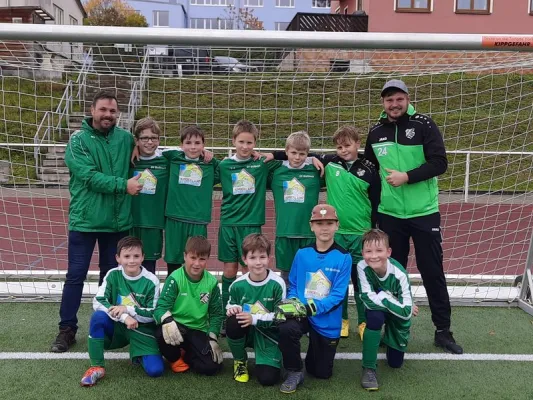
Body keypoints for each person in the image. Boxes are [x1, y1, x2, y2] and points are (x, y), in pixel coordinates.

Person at [364, 79, 463, 354]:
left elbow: (439, 163)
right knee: (390, 273)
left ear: (407, 99)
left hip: (424, 212)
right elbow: (370, 172)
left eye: (399, 99)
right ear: (383, 103)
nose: (394, 104)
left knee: (432, 271)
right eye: (389, 100)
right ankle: (392, 330)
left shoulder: (424, 124)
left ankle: (443, 331)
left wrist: (406, 176)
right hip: (390, 214)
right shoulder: (375, 131)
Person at [51, 91, 143, 353]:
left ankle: (108, 325)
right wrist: (123, 185)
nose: (108, 115)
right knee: (76, 276)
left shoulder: (125, 139)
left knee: (110, 277)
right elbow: (89, 177)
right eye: (103, 110)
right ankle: (67, 329)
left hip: (116, 222)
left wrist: (203, 154)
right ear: (92, 111)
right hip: (85, 221)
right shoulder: (78, 140)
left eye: (112, 111)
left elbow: (149, 150)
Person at [269, 126, 380, 339]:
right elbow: (298, 152)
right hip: (337, 232)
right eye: (339, 147)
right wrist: (276, 154)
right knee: (335, 280)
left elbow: (376, 200)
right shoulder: (330, 163)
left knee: (361, 280)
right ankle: (342, 320)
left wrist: (375, 227)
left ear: (358, 143)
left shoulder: (370, 168)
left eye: (347, 145)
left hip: (361, 232)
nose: (343, 150)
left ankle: (363, 321)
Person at [275, 204, 351, 394]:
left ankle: (315, 350)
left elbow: (338, 296)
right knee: (286, 328)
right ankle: (294, 370)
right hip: (302, 313)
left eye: (329, 223)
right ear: (311, 226)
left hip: (325, 318)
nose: (324, 228)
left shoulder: (344, 257)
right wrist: (293, 302)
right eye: (319, 223)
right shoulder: (302, 254)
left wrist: (310, 308)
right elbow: (293, 284)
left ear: (337, 225)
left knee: (320, 372)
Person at [217, 120, 280, 326]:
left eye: (249, 142)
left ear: (255, 143)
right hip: (228, 223)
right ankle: (227, 315)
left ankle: (250, 314)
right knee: (229, 270)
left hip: (251, 224)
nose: (245, 147)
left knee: (249, 269)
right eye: (241, 142)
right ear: (233, 141)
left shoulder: (261, 164)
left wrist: (275, 154)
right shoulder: (224, 166)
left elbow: (292, 157)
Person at [80, 236, 164, 386]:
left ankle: (138, 354)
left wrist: (128, 308)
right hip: (117, 326)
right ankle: (96, 367)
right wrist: (124, 317)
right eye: (127, 256)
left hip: (140, 329)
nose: (131, 261)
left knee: (155, 370)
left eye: (136, 256)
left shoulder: (152, 281)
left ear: (143, 257)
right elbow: (98, 301)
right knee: (98, 317)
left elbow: (153, 314)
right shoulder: (113, 275)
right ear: (118, 258)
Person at [153, 236, 224, 375]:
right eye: (193, 258)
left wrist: (213, 337)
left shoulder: (212, 282)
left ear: (207, 259)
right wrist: (168, 320)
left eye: (202, 259)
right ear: (185, 256)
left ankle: (188, 354)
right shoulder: (175, 279)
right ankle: (175, 359)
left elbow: (216, 313)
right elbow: (160, 308)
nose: (197, 263)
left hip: (198, 330)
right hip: (176, 326)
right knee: (161, 333)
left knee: (212, 367)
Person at [357, 229, 418, 391]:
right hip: (386, 308)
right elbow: (367, 298)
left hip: (398, 316)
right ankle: (369, 368)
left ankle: (388, 337)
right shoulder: (362, 266)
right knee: (374, 318)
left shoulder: (399, 274)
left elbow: (406, 313)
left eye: (379, 250)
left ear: (388, 252)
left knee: (395, 363)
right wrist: (393, 299)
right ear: (362, 253)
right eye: (368, 251)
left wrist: (383, 295)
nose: (374, 256)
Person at [226, 233, 286, 385]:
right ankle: (240, 361)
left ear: (269, 258)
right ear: (244, 259)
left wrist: (254, 318)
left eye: (262, 257)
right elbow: (231, 304)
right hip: (247, 332)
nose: (258, 262)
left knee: (267, 379)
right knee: (232, 321)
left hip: (268, 334)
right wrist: (232, 309)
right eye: (252, 258)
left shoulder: (278, 284)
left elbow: (280, 316)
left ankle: (272, 356)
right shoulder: (237, 285)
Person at [162, 126, 219, 275]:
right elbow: (155, 152)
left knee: (197, 259)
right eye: (188, 143)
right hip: (174, 218)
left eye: (197, 143)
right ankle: (174, 288)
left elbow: (227, 169)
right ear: (181, 145)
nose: (193, 147)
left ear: (204, 145)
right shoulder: (173, 157)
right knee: (173, 260)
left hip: (198, 220)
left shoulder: (210, 163)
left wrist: (210, 154)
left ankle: (195, 289)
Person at [268, 131, 322, 287]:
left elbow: (336, 160)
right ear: (286, 151)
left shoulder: (316, 170)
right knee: (286, 277)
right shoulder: (275, 170)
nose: (297, 157)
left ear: (307, 153)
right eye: (293, 153)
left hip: (308, 233)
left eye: (302, 154)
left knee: (309, 277)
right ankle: (287, 302)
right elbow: (253, 161)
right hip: (284, 233)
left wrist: (313, 158)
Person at [130, 118, 169, 274]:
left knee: (148, 269)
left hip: (153, 224)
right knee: (128, 265)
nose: (150, 142)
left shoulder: (166, 160)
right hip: (129, 223)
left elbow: (189, 152)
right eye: (145, 138)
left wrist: (205, 152)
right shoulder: (128, 160)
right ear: (137, 140)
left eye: (154, 138)